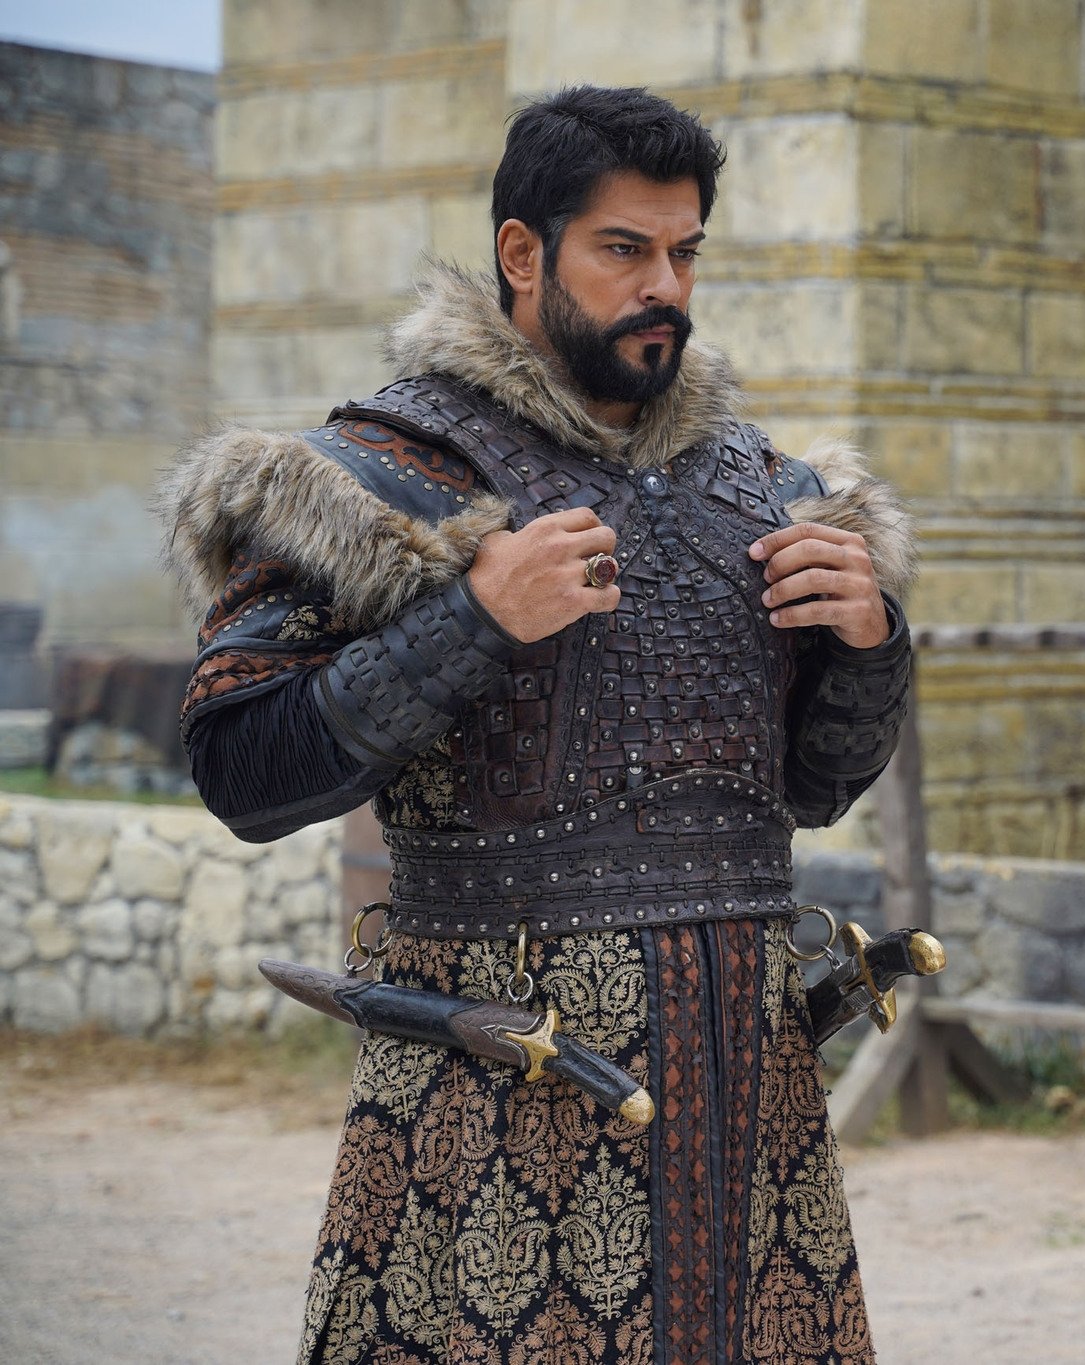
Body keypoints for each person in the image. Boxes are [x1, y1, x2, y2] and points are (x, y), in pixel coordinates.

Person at [159, 86, 915, 1364]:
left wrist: (868, 640)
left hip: (745, 1087)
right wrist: (473, 618)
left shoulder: (769, 489)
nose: (662, 285)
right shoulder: (372, 477)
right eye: (623, 249)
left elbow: (811, 789)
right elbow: (243, 770)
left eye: (684, 252)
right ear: (523, 253)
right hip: (499, 1088)